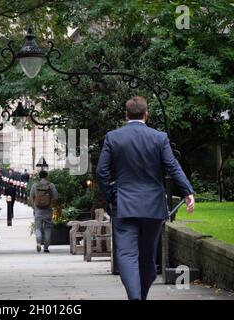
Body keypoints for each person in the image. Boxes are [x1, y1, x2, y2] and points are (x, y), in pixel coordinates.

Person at [97, 96, 195, 300]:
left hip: (124, 206)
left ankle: (136, 298)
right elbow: (172, 166)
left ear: (126, 115)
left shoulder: (113, 137)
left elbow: (102, 173)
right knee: (147, 257)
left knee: (126, 255)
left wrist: (112, 196)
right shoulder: (159, 138)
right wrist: (187, 191)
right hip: (153, 207)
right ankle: (140, 296)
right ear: (146, 115)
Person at [29, 170, 58, 253]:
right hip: (48, 209)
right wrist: (52, 205)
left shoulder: (35, 185)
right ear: (46, 176)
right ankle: (46, 248)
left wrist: (34, 208)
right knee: (47, 228)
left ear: (39, 176)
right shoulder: (51, 185)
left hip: (38, 210)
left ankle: (38, 242)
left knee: (38, 228)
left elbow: (31, 197)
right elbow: (56, 196)